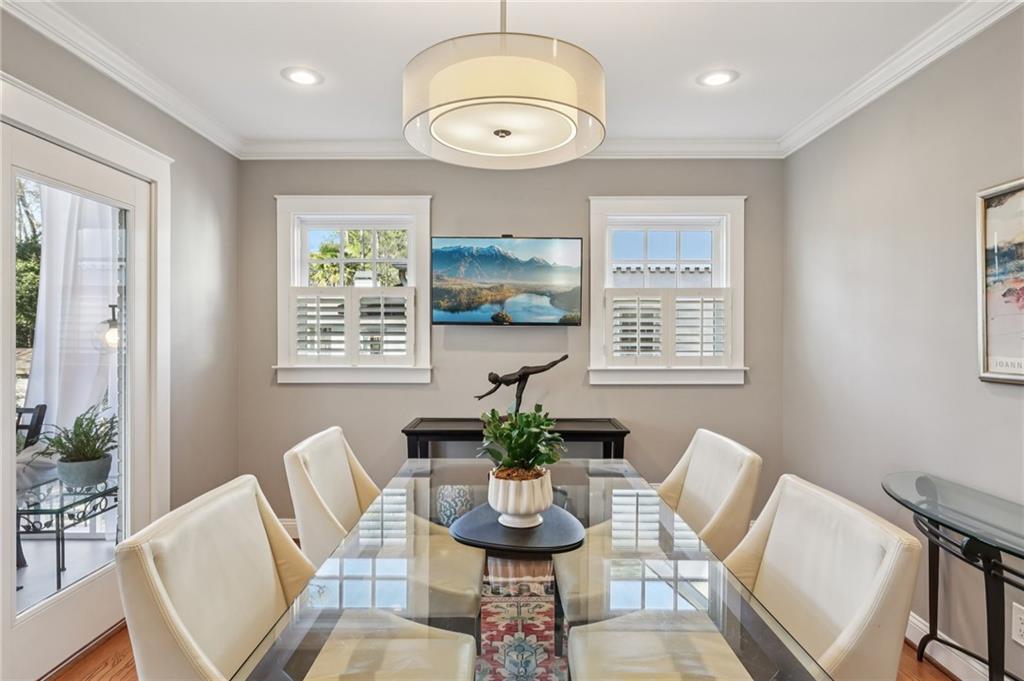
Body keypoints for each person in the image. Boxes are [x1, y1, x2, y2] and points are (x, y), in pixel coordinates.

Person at [474, 354, 569, 414]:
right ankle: (516, 412)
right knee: (518, 395)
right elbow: (493, 390)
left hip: (524, 371)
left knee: (546, 367)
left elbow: (514, 376)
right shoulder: (501, 381)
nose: (493, 384)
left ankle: (560, 359)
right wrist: (482, 396)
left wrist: (518, 376)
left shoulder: (503, 378)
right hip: (522, 378)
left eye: (492, 382)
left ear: (494, 380)